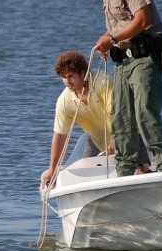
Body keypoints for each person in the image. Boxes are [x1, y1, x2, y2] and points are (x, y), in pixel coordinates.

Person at [85, 0, 162, 177]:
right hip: (122, 62)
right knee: (120, 115)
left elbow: (142, 20)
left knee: (145, 110)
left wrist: (112, 39)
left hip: (144, 58)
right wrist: (105, 40)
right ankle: (125, 169)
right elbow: (119, 24)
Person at [41, 51, 150, 188]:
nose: (67, 82)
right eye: (63, 77)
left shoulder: (103, 83)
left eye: (70, 76)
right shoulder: (65, 100)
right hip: (97, 141)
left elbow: (120, 114)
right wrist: (52, 169)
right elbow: (60, 135)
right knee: (82, 179)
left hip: (128, 135)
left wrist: (114, 139)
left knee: (142, 170)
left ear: (83, 73)